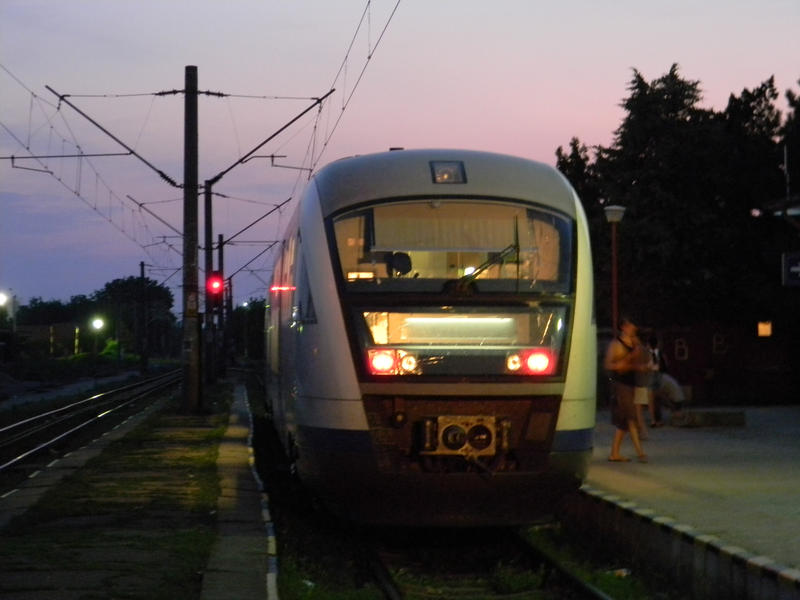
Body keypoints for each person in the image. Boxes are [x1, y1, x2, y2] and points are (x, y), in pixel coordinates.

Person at [604, 316, 648, 463]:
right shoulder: (616, 345)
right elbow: (609, 365)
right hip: (621, 384)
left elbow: (641, 360)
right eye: (630, 326)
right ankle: (640, 452)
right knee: (631, 418)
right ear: (623, 327)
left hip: (632, 383)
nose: (633, 329)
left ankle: (614, 453)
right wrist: (629, 358)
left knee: (624, 422)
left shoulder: (635, 343)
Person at [633, 332, 658, 436]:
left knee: (638, 409)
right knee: (647, 405)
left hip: (640, 382)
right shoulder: (648, 351)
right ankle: (651, 422)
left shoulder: (639, 350)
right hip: (647, 381)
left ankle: (642, 430)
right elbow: (653, 366)